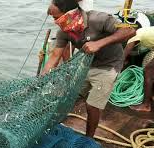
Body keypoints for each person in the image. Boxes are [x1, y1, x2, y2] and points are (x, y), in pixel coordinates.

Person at [41, 0, 135, 137]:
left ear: (70, 14)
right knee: (68, 95)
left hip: (109, 64)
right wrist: (42, 78)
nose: (55, 21)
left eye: (56, 17)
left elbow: (129, 30)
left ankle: (88, 138)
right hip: (87, 65)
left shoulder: (99, 19)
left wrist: (99, 43)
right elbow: (55, 56)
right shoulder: (64, 31)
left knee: (92, 105)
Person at [124, 27, 154, 112]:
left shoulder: (133, 37)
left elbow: (122, 58)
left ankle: (146, 105)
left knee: (148, 71)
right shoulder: (143, 31)